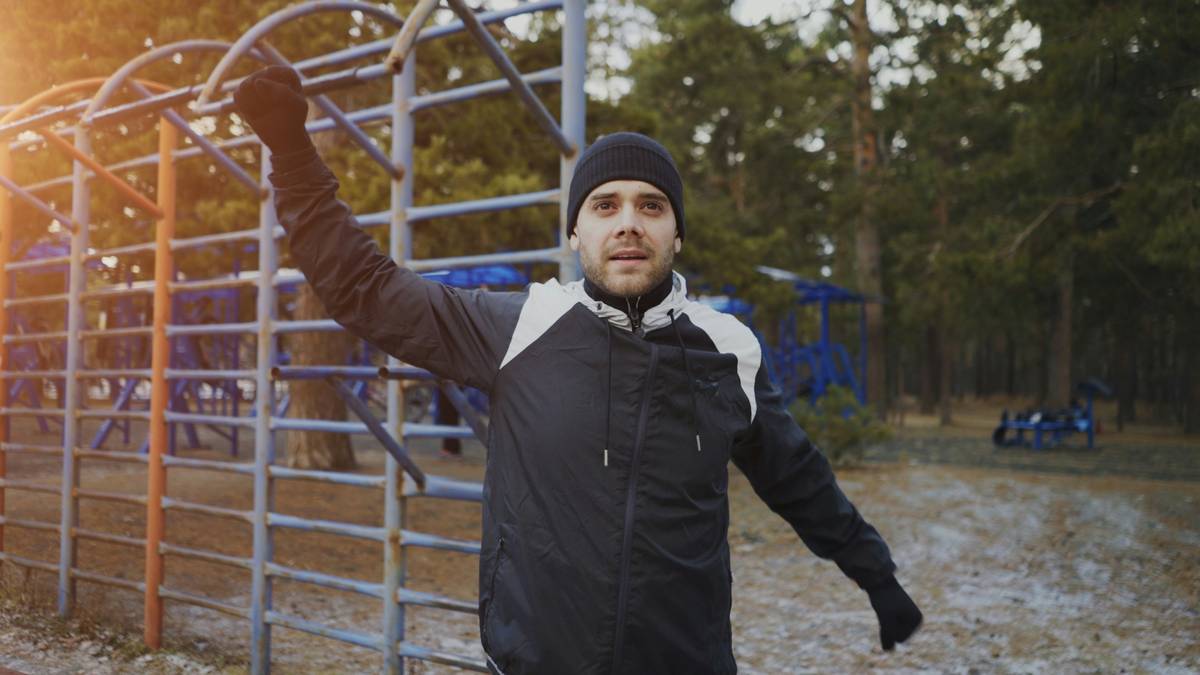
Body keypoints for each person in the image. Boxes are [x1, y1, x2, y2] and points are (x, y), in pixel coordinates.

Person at [235, 65, 922, 675]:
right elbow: (364, 289)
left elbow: (797, 477)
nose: (628, 223)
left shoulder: (729, 348)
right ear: (575, 232)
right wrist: (292, 154)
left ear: (677, 232)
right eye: (605, 205)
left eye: (651, 205)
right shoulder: (518, 327)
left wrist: (876, 575)